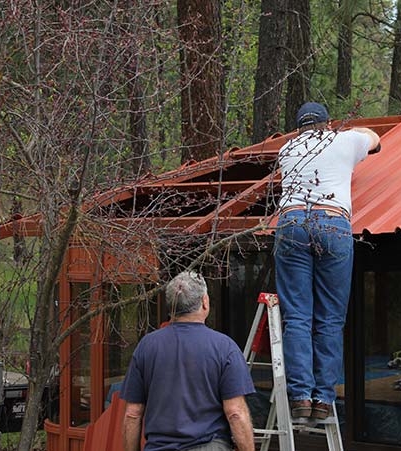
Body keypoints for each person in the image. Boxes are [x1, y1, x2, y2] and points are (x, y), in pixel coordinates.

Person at [275, 102, 381, 420]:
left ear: (299, 129)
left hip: (291, 223)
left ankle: (301, 396)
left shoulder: (287, 149)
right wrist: (350, 132)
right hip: (332, 223)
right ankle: (323, 399)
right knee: (330, 319)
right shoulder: (344, 141)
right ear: (328, 124)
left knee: (296, 318)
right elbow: (374, 138)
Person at [121, 271, 255, 451]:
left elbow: (132, 414)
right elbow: (236, 413)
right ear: (205, 302)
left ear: (171, 307)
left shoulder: (147, 346)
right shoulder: (225, 347)